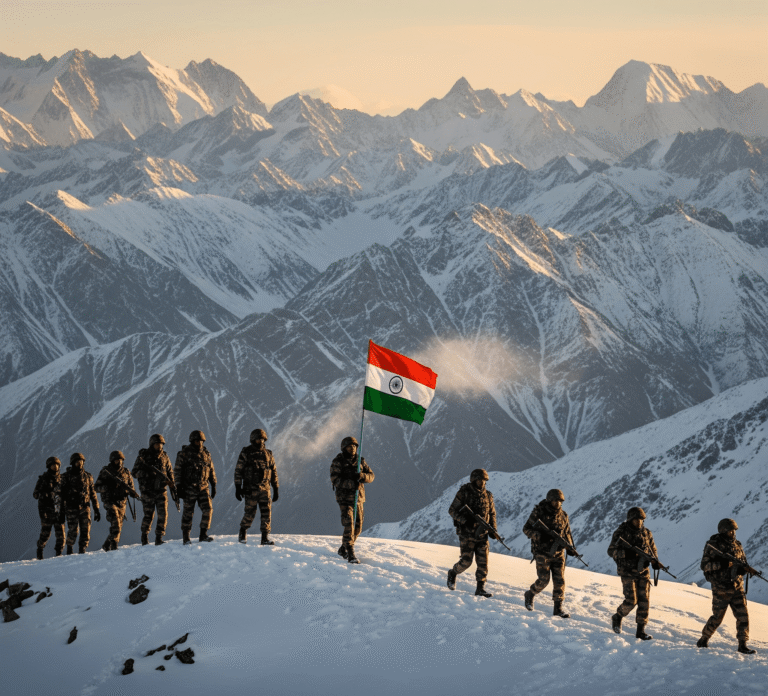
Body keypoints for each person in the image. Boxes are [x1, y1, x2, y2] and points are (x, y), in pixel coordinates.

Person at [697, 518, 757, 654]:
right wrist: (723, 564)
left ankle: (742, 644)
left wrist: (743, 570)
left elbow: (742, 562)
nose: (733, 533)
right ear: (723, 531)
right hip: (721, 588)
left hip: (736, 587)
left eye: (734, 530)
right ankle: (704, 639)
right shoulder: (713, 545)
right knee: (717, 617)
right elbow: (705, 566)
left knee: (743, 616)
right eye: (730, 530)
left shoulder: (737, 545)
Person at [607, 507, 659, 640]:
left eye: (641, 520)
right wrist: (626, 554)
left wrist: (655, 562)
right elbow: (611, 551)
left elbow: (652, 550)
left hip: (643, 572)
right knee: (631, 600)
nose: (639, 522)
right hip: (627, 571)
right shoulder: (621, 532)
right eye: (637, 519)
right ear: (630, 519)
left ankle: (641, 631)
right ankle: (618, 616)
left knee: (644, 601)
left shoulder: (647, 533)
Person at [522, 488, 575, 618]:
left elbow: (567, 533)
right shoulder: (539, 512)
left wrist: (570, 547)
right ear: (549, 500)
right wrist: (538, 536)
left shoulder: (563, 515)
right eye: (555, 501)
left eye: (560, 501)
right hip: (542, 552)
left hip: (558, 553)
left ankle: (558, 608)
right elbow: (526, 529)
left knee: (559, 581)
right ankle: (530, 594)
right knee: (544, 580)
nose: (558, 503)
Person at [446, 468, 497, 598]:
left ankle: (480, 588)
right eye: (480, 481)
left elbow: (492, 514)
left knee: (483, 563)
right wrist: (465, 520)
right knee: (466, 561)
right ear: (474, 480)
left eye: (484, 481)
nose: (482, 483)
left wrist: (493, 529)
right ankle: (453, 573)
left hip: (482, 535)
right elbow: (452, 510)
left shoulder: (488, 495)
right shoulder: (464, 492)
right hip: (467, 534)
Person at [329, 436, 374, 564]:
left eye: (354, 446)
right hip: (344, 498)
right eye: (350, 446)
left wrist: (362, 476)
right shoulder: (338, 462)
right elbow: (335, 479)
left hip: (358, 498)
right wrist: (351, 483)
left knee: (358, 527)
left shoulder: (361, 461)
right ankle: (350, 552)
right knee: (349, 523)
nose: (353, 448)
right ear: (344, 448)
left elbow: (371, 476)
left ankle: (343, 548)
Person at [234, 429, 279, 545]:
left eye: (262, 439)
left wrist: (276, 488)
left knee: (266, 513)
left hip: (265, 489)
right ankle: (242, 532)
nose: (261, 441)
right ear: (253, 440)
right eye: (258, 439)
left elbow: (273, 471)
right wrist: (238, 487)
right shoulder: (246, 453)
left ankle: (265, 538)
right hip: (250, 489)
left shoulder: (268, 454)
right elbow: (238, 470)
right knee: (249, 513)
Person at [132, 433, 176, 546]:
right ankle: (144, 537)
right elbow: (134, 473)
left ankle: (159, 537)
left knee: (163, 514)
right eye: (157, 444)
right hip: (148, 491)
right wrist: (147, 473)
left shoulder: (165, 456)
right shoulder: (144, 456)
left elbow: (170, 471)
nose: (159, 446)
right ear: (152, 444)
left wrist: (171, 482)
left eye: (161, 444)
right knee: (149, 515)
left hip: (161, 490)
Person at [175, 430, 217, 544]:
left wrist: (213, 484)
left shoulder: (206, 454)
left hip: (203, 487)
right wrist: (178, 487)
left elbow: (211, 469)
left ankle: (203, 534)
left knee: (208, 509)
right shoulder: (184, 453)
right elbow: (177, 471)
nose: (199, 443)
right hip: (189, 488)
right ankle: (186, 537)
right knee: (188, 512)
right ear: (192, 441)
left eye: (201, 441)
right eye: (197, 441)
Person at [95, 451, 139, 552]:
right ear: (112, 460)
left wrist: (132, 493)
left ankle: (107, 544)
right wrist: (107, 487)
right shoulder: (106, 471)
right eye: (116, 460)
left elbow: (131, 486)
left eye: (120, 459)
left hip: (122, 502)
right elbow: (96, 487)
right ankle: (114, 546)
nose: (118, 462)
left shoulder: (126, 472)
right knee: (116, 525)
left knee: (118, 527)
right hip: (110, 501)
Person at [61, 453, 100, 554]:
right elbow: (61, 495)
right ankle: (69, 549)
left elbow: (93, 494)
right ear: (73, 463)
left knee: (86, 531)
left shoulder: (88, 476)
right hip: (71, 508)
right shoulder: (65, 477)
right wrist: (61, 511)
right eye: (77, 462)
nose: (80, 464)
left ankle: (82, 550)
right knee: (73, 531)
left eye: (81, 461)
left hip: (85, 508)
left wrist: (96, 509)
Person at [33, 457, 65, 560]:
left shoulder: (62, 479)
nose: (55, 466)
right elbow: (35, 494)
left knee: (61, 535)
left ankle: (58, 555)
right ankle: (40, 551)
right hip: (46, 511)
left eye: (57, 465)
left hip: (58, 510)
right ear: (49, 466)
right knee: (45, 534)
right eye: (53, 465)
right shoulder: (43, 479)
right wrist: (45, 494)